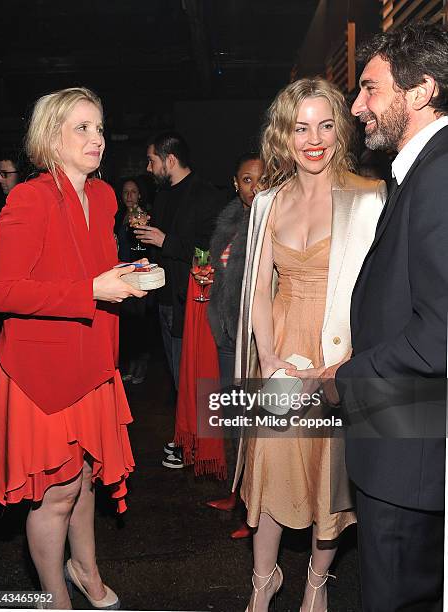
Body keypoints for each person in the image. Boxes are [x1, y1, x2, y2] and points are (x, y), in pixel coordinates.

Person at [0, 87, 146, 610]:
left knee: (84, 479)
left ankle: (86, 571)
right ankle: (54, 599)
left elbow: (90, 270)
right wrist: (92, 291)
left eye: (99, 128)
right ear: (50, 137)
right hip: (40, 371)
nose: (96, 138)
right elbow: (1, 291)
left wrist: (125, 276)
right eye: (82, 128)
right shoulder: (28, 197)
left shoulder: (101, 197)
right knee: (54, 493)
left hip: (92, 362)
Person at [233, 78, 386, 612]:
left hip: (337, 354)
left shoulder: (367, 197)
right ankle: (262, 579)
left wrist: (344, 363)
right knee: (272, 466)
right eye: (301, 128)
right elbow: (255, 290)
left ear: (340, 129)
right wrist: (269, 355)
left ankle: (317, 583)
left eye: (325, 125)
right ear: (284, 135)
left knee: (328, 470)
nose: (313, 139)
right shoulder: (267, 202)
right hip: (279, 349)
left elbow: (381, 292)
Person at [335, 22, 448, 612]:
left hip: (411, 448)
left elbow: (441, 336)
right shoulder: (421, 173)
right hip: (405, 432)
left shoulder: (440, 175)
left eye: (371, 89)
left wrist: (349, 375)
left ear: (422, 90)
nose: (357, 107)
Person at [135, 131, 225, 468]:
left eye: (152, 160)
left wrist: (165, 240)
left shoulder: (207, 196)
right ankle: (187, 436)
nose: (148, 167)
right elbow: (163, 245)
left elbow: (210, 252)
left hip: (193, 305)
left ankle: (199, 443)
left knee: (196, 375)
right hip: (165, 299)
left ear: (169, 160)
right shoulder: (161, 196)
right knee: (178, 377)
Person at [204, 152, 263, 539]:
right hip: (227, 333)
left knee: (256, 427)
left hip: (257, 339)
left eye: (261, 179)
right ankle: (237, 494)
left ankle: (254, 511)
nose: (254, 186)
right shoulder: (230, 220)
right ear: (235, 184)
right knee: (233, 420)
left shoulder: (274, 218)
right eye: (246, 180)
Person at [115, 176, 152, 384]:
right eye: (125, 192)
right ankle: (129, 365)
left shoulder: (145, 216)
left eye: (133, 192)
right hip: (121, 273)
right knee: (127, 323)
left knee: (141, 320)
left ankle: (141, 367)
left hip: (140, 274)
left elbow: (147, 248)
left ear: (140, 194)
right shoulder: (118, 216)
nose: (129, 196)